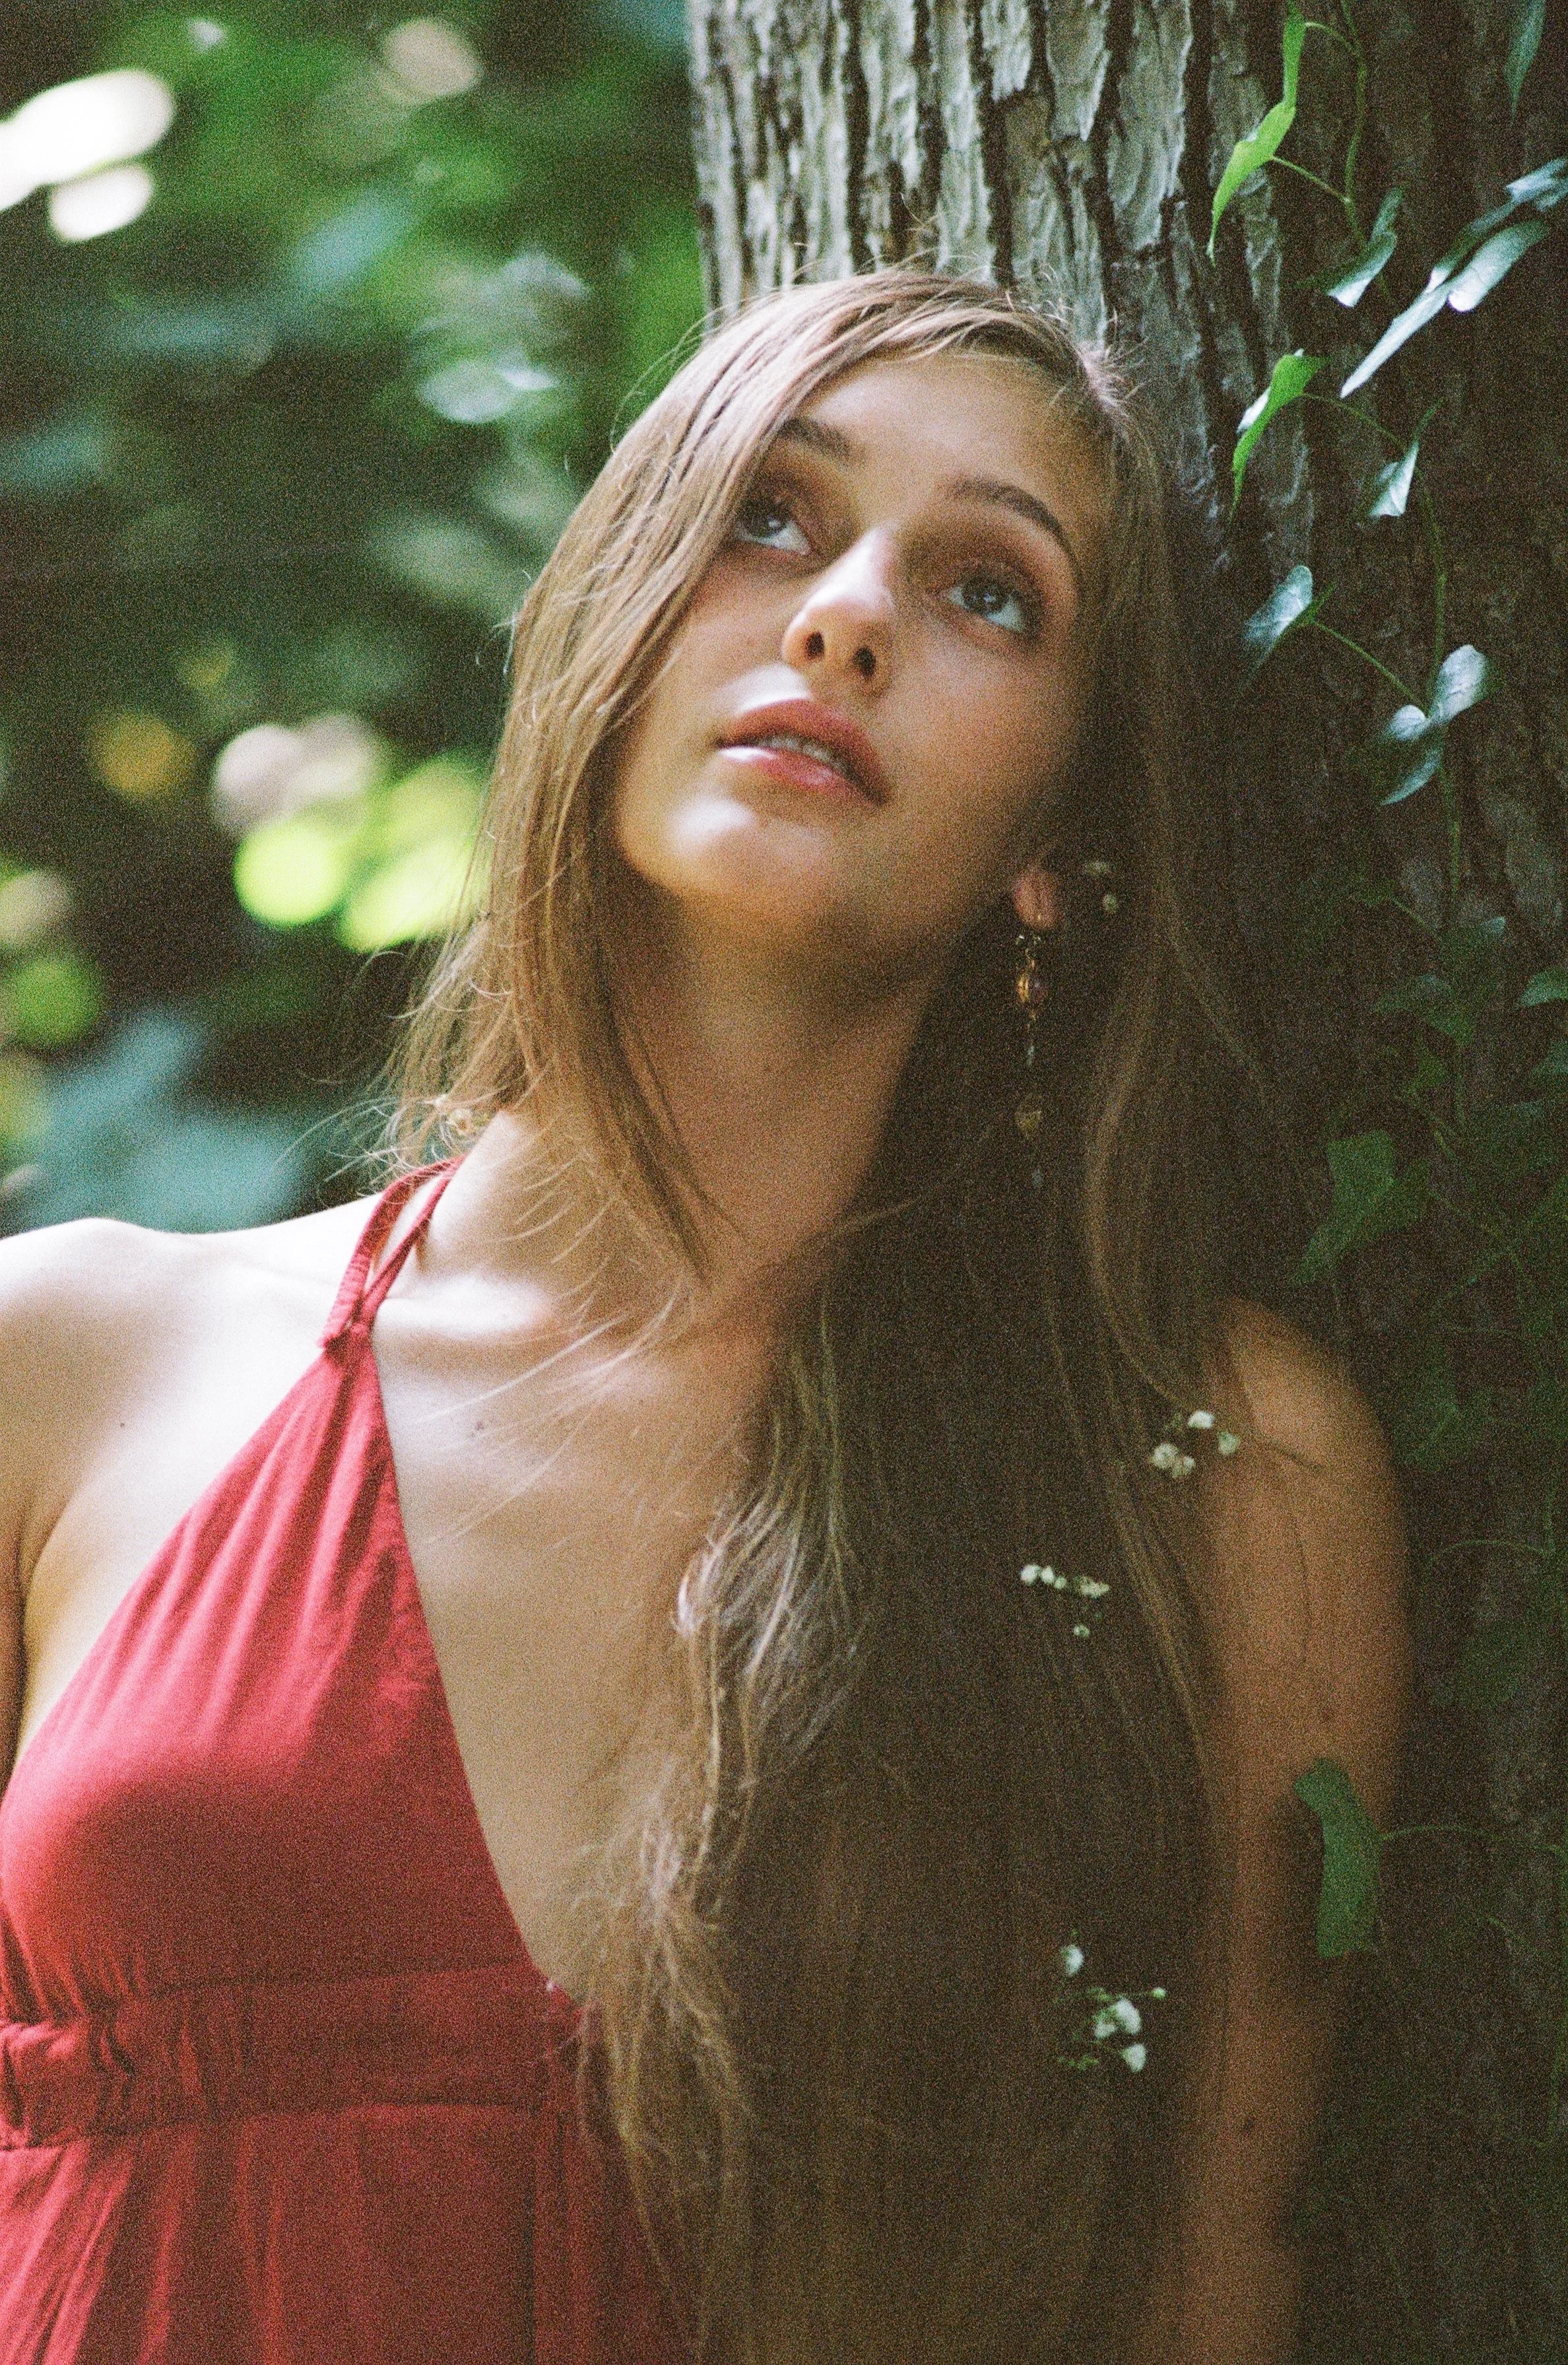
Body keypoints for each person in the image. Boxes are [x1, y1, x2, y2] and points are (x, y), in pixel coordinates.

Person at [0, 269, 1408, 2365]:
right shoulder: (79, 1358)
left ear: (1055, 841)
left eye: (988, 595)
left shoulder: (1208, 1471)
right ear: (613, 623)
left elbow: (1211, 2299)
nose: (842, 613)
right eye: (770, 514)